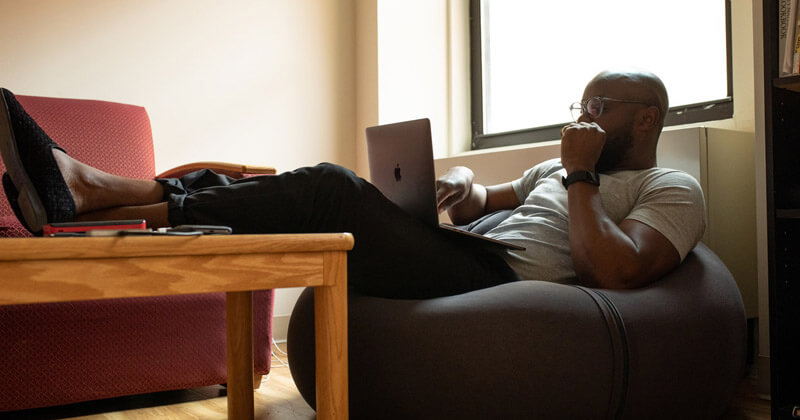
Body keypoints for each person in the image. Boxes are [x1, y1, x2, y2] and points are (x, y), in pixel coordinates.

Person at [0, 69, 704, 299]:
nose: (581, 118)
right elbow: (488, 201)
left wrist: (578, 171)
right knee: (278, 189)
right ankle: (98, 196)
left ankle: (95, 193)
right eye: (580, 106)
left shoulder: (670, 190)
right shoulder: (554, 170)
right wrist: (458, 183)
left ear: (645, 119)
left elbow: (612, 269)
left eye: (597, 109)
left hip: (493, 280)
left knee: (330, 189)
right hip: (464, 248)